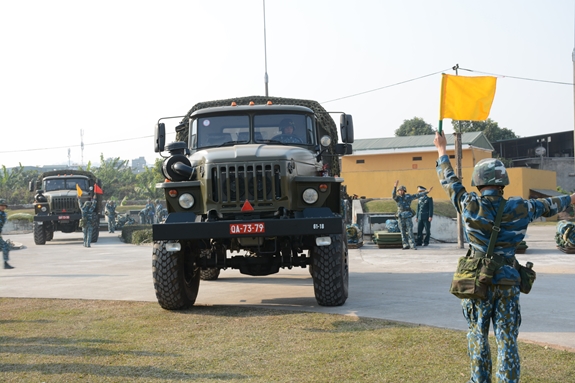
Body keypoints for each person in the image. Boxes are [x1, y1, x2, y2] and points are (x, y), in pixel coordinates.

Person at [434, 131, 575, 383]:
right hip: (508, 283)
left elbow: (449, 182)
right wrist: (572, 198)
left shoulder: (469, 204)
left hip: (478, 284)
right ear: (503, 181)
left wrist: (442, 150)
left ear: (479, 181)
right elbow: (552, 204)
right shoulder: (521, 207)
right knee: (507, 338)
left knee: (478, 335)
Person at [392, 181, 430, 250]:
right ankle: (405, 245)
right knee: (402, 231)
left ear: (404, 191)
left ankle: (412, 245)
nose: (400, 191)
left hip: (407, 216)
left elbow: (417, 195)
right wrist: (395, 187)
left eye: (402, 190)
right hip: (400, 216)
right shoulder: (397, 198)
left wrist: (426, 192)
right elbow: (393, 195)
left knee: (410, 231)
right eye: (399, 190)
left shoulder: (408, 197)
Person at [0, 199, 14, 269]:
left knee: (5, 247)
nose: (3, 207)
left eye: (4, 206)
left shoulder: (4, 214)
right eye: (1, 205)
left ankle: (5, 263)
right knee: (5, 246)